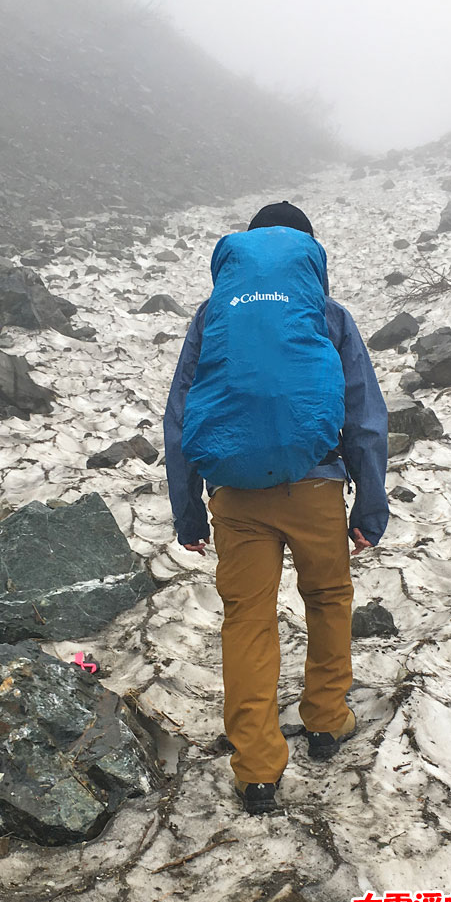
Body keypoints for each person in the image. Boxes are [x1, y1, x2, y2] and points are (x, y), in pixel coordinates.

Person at [163, 201, 389, 814]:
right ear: (309, 257)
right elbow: (365, 418)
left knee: (249, 621)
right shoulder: (328, 314)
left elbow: (181, 416)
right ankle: (325, 719)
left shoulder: (213, 315)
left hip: (235, 495)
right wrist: (370, 508)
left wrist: (187, 510)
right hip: (316, 488)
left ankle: (257, 769)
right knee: (327, 599)